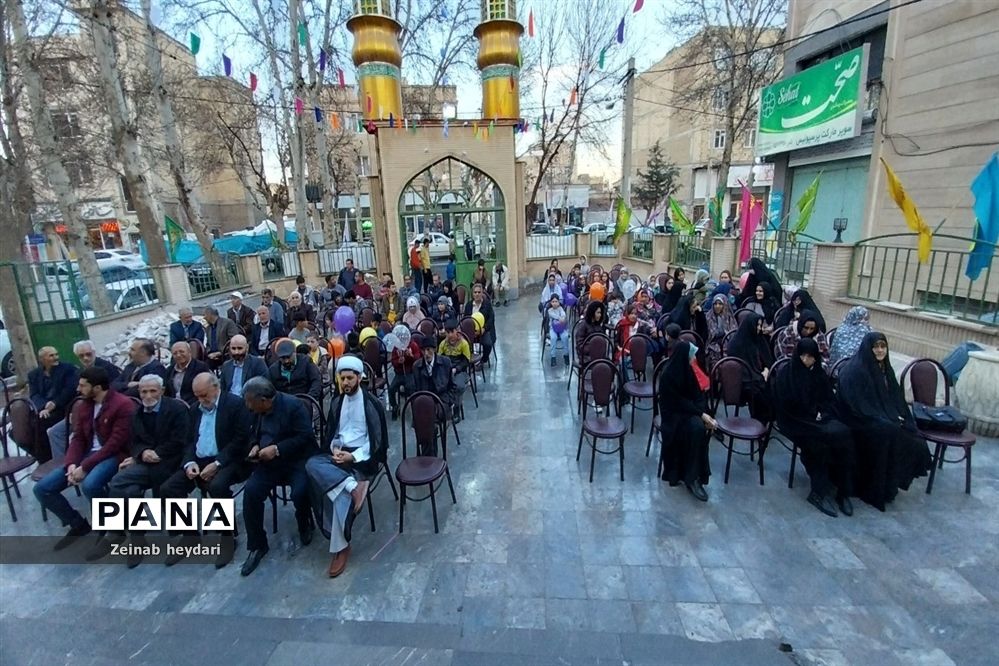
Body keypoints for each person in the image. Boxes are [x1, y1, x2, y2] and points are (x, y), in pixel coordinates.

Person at [33, 367, 135, 551]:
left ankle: (114, 529)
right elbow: (78, 437)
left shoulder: (123, 404)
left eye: (82, 385)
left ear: (96, 387)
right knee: (43, 489)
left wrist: (85, 467)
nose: (78, 389)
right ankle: (77, 524)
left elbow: (114, 444)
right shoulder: (86, 405)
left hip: (113, 455)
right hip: (87, 455)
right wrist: (71, 463)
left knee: (91, 484)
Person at [159, 373, 252, 568]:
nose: (201, 400)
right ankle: (189, 536)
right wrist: (189, 462)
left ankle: (227, 538)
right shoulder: (195, 409)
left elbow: (240, 441)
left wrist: (217, 463)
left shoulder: (235, 405)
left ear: (215, 388)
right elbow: (189, 441)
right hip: (200, 459)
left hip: (229, 460)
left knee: (216, 486)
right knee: (168, 488)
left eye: (204, 395)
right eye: (197, 396)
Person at [307, 355, 388, 577]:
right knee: (312, 464)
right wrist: (334, 449)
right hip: (339, 453)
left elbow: (378, 442)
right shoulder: (336, 402)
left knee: (335, 492)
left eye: (350, 378)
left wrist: (353, 458)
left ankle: (340, 547)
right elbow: (333, 434)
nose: (346, 383)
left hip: (362, 457)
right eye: (342, 379)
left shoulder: (372, 404)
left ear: (359, 378)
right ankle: (354, 487)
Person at [836, 332, 932, 511]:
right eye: (876, 347)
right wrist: (885, 417)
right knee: (888, 432)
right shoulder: (855, 370)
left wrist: (900, 417)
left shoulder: (884, 369)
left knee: (912, 437)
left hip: (880, 416)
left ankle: (889, 486)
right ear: (868, 348)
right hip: (858, 420)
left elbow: (896, 399)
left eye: (883, 346)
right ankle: (873, 490)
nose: (880, 350)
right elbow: (857, 405)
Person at [101, 375, 189, 566]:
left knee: (123, 483)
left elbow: (181, 439)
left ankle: (119, 531)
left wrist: (157, 453)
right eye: (143, 391)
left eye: (152, 391)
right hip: (147, 463)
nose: (148, 395)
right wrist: (142, 453)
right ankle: (136, 538)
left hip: (171, 462)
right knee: (126, 488)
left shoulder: (176, 409)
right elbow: (133, 442)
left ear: (162, 391)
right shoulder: (137, 413)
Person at [240, 377, 317, 576]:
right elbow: (251, 434)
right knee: (251, 492)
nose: (248, 406)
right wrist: (254, 445)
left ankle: (304, 521)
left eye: (250, 401)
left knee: (300, 491)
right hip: (267, 463)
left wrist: (277, 449)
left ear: (265, 400)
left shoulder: (293, 406)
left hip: (296, 460)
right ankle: (257, 545)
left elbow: (305, 437)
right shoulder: (256, 412)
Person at [773, 338, 856, 517]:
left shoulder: (818, 374)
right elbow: (784, 405)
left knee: (844, 435)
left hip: (818, 420)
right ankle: (818, 492)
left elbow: (828, 400)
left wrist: (821, 413)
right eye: (802, 355)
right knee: (817, 444)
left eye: (810, 357)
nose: (805, 360)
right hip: (794, 421)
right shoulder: (788, 374)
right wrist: (809, 413)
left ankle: (843, 491)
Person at [657, 341, 714, 501]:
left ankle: (696, 474)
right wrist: (701, 414)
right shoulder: (668, 374)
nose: (694, 358)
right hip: (673, 415)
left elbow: (698, 395)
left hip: (688, 412)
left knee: (699, 427)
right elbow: (676, 402)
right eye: (692, 355)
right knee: (696, 428)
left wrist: (704, 413)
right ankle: (691, 477)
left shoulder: (688, 370)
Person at [48, 341, 123, 459]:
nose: (86, 358)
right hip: (82, 410)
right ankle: (62, 464)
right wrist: (74, 410)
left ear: (94, 352)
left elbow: (116, 390)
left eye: (88, 354)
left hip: (103, 411)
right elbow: (75, 393)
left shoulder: (107, 368)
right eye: (81, 356)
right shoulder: (78, 372)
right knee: (54, 432)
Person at [28, 346, 79, 462]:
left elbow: (69, 390)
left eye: (56, 354)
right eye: (51, 355)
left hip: (64, 406)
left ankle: (49, 461)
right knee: (24, 430)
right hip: (44, 409)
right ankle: (43, 457)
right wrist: (44, 407)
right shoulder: (34, 374)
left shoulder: (68, 369)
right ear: (42, 359)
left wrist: (54, 403)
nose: (56, 358)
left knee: (40, 425)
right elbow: (34, 395)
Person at [724, 313, 774, 421]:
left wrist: (766, 369)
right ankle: (760, 421)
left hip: (761, 374)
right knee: (757, 391)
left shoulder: (760, 339)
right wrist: (760, 376)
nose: (759, 328)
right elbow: (739, 369)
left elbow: (767, 359)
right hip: (745, 379)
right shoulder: (737, 343)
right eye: (757, 325)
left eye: (760, 326)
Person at [413, 336, 457, 426]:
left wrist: (449, 401)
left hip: (441, 400)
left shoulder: (445, 362)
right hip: (424, 400)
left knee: (432, 417)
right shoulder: (416, 366)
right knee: (420, 419)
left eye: (428, 350)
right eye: (423, 351)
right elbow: (415, 389)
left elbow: (452, 386)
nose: (426, 354)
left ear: (434, 349)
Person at [388, 327, 420, 419]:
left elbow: (418, 361)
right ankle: (395, 406)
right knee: (391, 389)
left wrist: (411, 356)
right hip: (399, 374)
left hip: (410, 373)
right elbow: (393, 362)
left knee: (412, 389)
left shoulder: (413, 345)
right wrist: (399, 361)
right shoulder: (396, 347)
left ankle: (415, 410)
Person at [165, 341, 210, 406]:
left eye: (181, 352)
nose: (178, 355)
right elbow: (167, 393)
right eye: (175, 353)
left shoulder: (200, 367)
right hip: (174, 406)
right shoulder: (169, 370)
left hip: (193, 406)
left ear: (189, 352)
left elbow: (204, 391)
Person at [463, 283, 496, 363]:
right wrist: (472, 330)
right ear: (472, 294)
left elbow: (491, 319)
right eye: (475, 292)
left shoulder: (487, 304)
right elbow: (466, 319)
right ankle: (468, 361)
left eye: (479, 292)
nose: (477, 294)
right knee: (463, 343)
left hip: (485, 330)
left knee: (488, 344)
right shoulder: (468, 305)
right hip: (471, 331)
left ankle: (483, 360)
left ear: (482, 293)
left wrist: (483, 329)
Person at [705, 294, 737, 369]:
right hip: (713, 345)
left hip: (728, 344)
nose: (717, 306)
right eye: (715, 304)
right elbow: (708, 335)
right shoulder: (708, 317)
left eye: (720, 304)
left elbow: (734, 333)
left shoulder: (729, 317)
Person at [545, 294, 569, 367]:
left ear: (558, 302)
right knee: (553, 338)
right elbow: (553, 316)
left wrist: (562, 318)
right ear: (550, 303)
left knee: (565, 337)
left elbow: (564, 315)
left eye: (556, 301)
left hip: (561, 328)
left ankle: (566, 355)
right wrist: (559, 318)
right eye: (553, 301)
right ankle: (553, 357)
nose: (554, 303)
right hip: (553, 329)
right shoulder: (549, 310)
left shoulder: (561, 309)